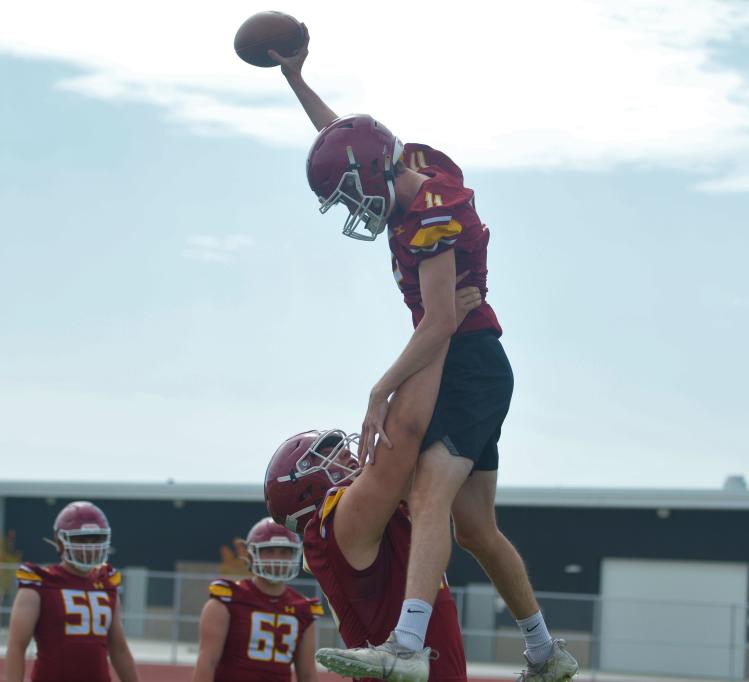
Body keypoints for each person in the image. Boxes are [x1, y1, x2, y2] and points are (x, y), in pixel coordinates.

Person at [268, 29, 579, 682]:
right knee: (474, 530)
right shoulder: (411, 166)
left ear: (373, 175)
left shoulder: (427, 219)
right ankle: (546, 651)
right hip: (477, 360)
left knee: (430, 493)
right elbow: (345, 138)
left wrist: (381, 390)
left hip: (465, 360)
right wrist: (298, 83)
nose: (355, 210)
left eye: (350, 195)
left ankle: (406, 648)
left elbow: (440, 321)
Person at [265, 428, 467, 682]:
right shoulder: (339, 521)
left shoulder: (379, 520)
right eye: (331, 454)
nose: (348, 454)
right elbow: (406, 440)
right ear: (304, 490)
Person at [5, 501, 138, 682]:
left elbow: (119, 650)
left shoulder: (107, 583)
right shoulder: (40, 583)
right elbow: (16, 646)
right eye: (82, 539)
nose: (90, 547)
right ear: (61, 542)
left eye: (96, 539)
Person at [192, 518, 322, 682]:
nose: (277, 559)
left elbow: (308, 675)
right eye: (269, 551)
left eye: (284, 552)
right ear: (252, 554)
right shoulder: (227, 599)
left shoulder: (303, 609)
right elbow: (207, 662)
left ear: (295, 554)